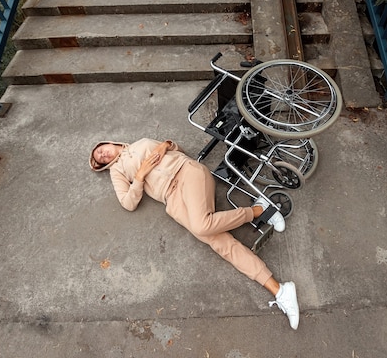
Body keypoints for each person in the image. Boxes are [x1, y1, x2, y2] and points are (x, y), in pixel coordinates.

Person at [89, 138, 300, 329]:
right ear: (103, 166)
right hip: (172, 199)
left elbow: (178, 148)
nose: (103, 155)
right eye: (100, 159)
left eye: (101, 150)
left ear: (107, 142)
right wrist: (140, 175)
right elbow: (128, 203)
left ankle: (259, 211)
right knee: (219, 243)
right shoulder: (117, 171)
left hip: (187, 173)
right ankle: (280, 290)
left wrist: (165, 145)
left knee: (202, 226)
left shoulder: (140, 142)